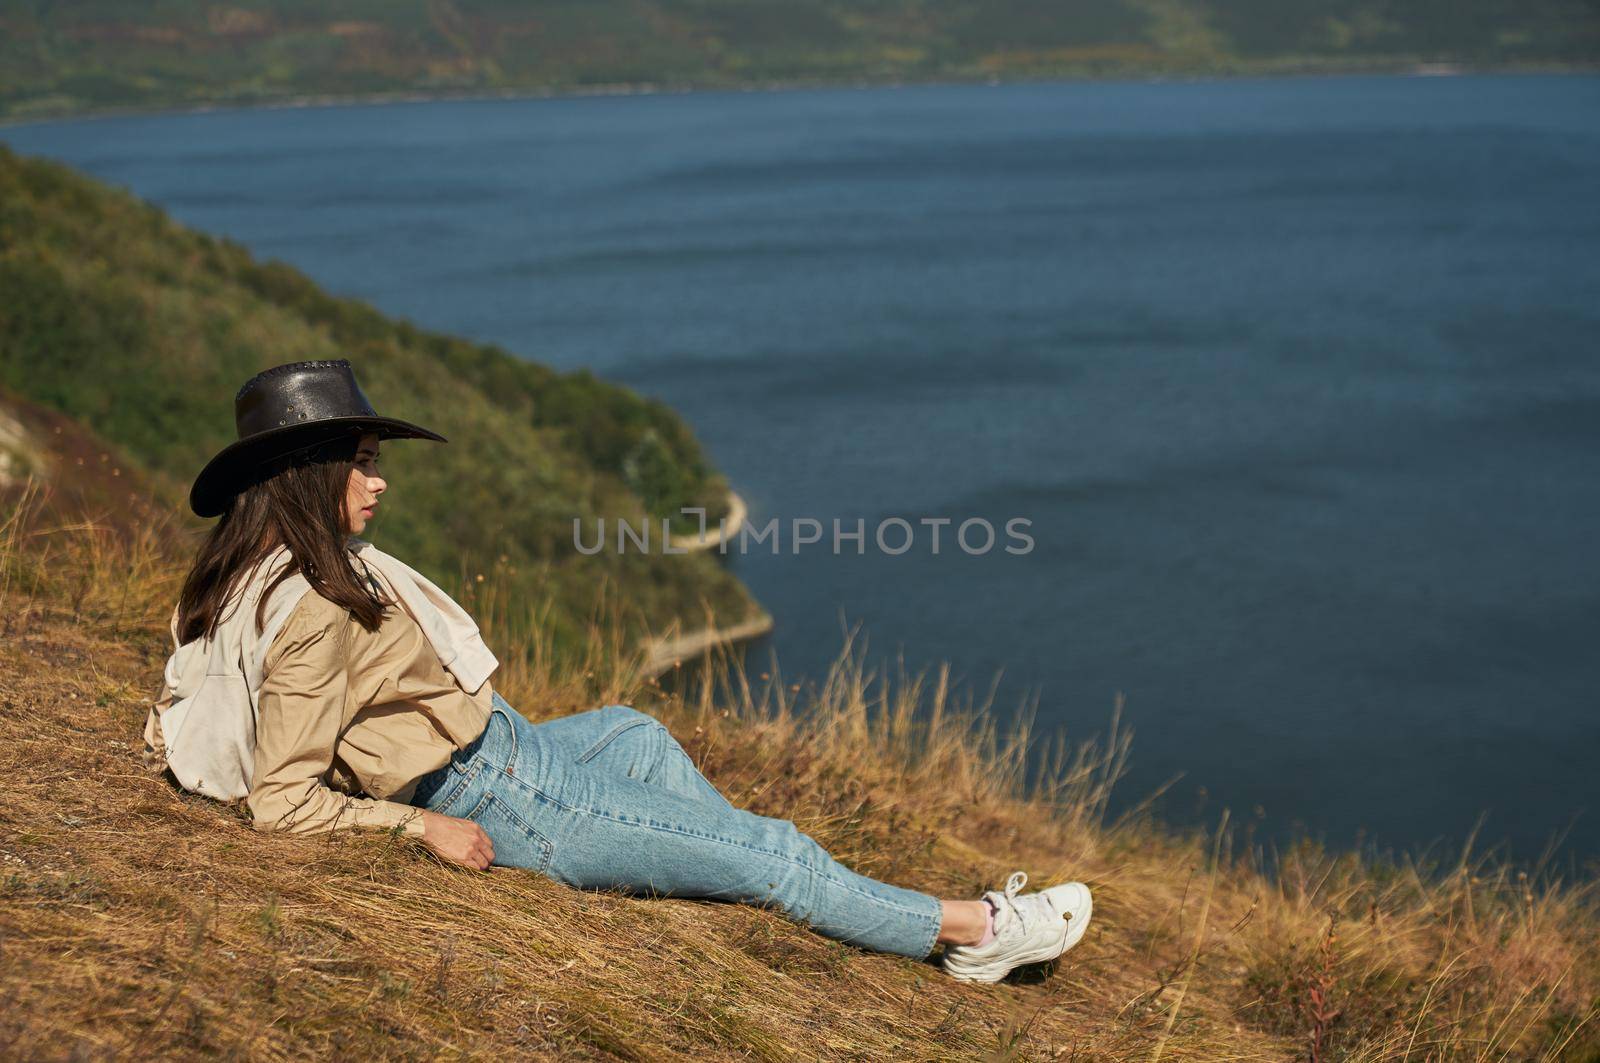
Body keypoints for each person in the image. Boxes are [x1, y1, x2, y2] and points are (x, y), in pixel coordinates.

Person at [143, 359, 1092, 982]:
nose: (381, 479)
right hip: (500, 797)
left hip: (506, 752)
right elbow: (282, 799)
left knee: (639, 730)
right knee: (777, 849)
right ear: (308, 473)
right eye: (361, 461)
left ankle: (761, 891)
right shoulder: (311, 602)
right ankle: (974, 934)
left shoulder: (253, 569)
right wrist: (421, 825)